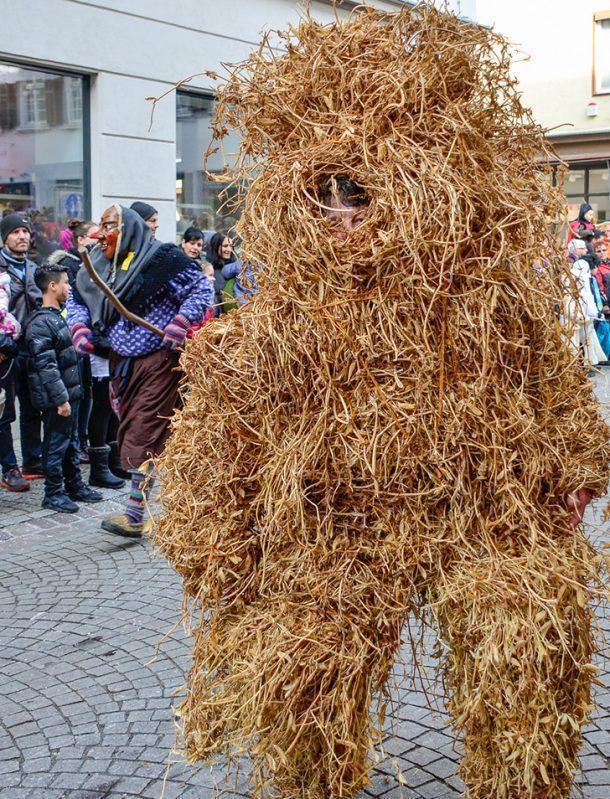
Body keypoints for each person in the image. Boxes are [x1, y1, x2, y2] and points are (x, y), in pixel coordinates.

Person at [67, 204, 213, 537]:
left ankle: (134, 513)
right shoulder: (99, 266)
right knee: (140, 431)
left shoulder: (164, 259)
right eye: (101, 226)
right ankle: (184, 499)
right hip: (122, 365)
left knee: (142, 433)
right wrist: (79, 327)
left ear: (129, 230)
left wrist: (180, 323)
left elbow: (200, 290)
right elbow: (77, 299)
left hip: (159, 362)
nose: (102, 234)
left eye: (110, 226)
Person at [24, 263, 102, 513]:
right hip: (58, 398)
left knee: (71, 442)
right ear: (52, 285)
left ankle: (74, 485)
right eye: (66, 283)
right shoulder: (40, 324)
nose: (69, 287)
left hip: (72, 393)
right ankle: (53, 492)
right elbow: (46, 366)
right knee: (56, 444)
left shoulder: (62, 316)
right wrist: (61, 399)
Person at [0, 213, 43, 491]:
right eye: (15, 232)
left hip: (30, 347)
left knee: (32, 406)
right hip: (4, 352)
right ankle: (9, 467)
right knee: (4, 412)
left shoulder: (34, 268)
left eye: (25, 231)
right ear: (4, 237)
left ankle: (32, 460)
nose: (22, 236)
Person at [206, 232, 235, 314]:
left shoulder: (236, 268)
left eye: (231, 246)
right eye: (225, 246)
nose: (229, 250)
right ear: (216, 247)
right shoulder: (208, 269)